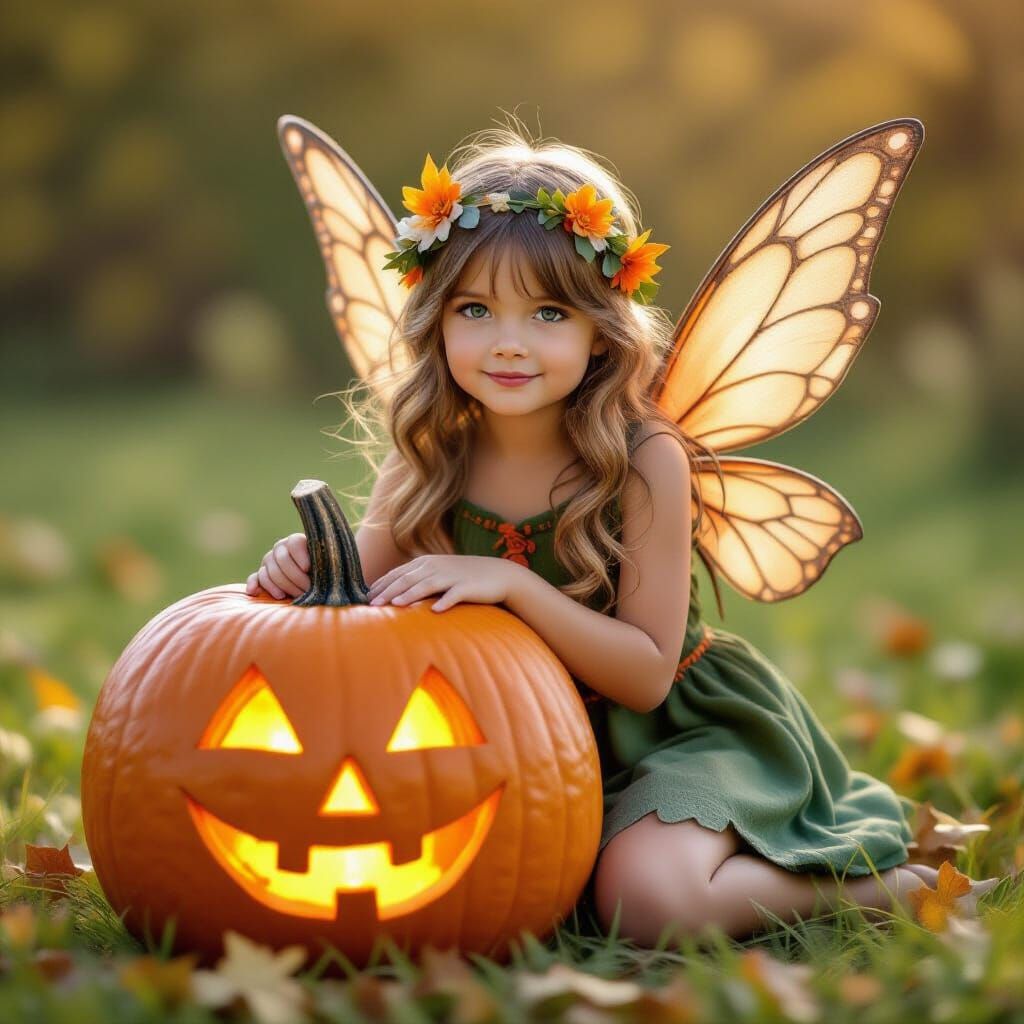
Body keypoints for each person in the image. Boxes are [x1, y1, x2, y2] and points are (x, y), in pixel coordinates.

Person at [246, 118, 999, 945]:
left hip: (675, 734)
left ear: (602, 325)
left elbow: (645, 673)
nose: (507, 343)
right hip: (524, 748)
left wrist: (514, 586)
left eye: (546, 314)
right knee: (508, 894)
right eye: (474, 309)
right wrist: (303, 565)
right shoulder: (433, 455)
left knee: (642, 902)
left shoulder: (642, 459)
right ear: (435, 319)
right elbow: (356, 576)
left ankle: (881, 891)